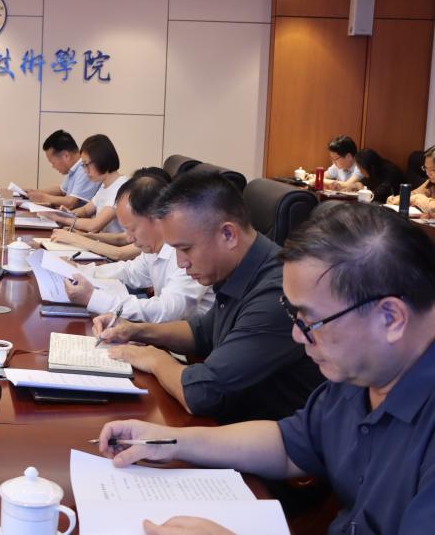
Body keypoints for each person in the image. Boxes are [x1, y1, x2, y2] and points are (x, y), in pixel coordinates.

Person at [97, 203, 435, 535]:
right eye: (294, 315)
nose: (297, 335)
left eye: (312, 320)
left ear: (390, 318)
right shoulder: (362, 370)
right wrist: (168, 441)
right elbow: (287, 445)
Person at [94, 171, 323, 422]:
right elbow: (201, 332)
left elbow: (202, 393)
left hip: (265, 432)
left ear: (228, 235)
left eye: (186, 249)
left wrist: (152, 357)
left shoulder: (276, 293)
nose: (181, 263)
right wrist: (136, 331)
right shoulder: (237, 268)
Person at [65, 173, 214, 322]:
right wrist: (81, 271)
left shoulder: (187, 252)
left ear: (157, 217)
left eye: (132, 229)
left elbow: (168, 311)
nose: (129, 238)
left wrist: (94, 298)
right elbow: (130, 272)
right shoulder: (153, 248)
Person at [44, 134, 128, 234]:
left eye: (86, 164)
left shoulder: (121, 187)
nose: (85, 170)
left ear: (101, 159)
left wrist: (61, 218)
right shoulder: (105, 185)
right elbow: (86, 210)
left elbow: (94, 225)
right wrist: (67, 214)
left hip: (110, 243)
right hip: (101, 240)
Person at [24, 130, 99, 209]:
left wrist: (43, 197)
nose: (53, 166)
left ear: (66, 156)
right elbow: (61, 190)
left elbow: (71, 203)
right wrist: (35, 192)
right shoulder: (74, 169)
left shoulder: (84, 170)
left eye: (53, 162)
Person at [388, 145, 435, 214]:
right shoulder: (431, 182)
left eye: (433, 170)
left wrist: (417, 199)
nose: (427, 173)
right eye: (426, 168)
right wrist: (396, 199)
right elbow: (414, 194)